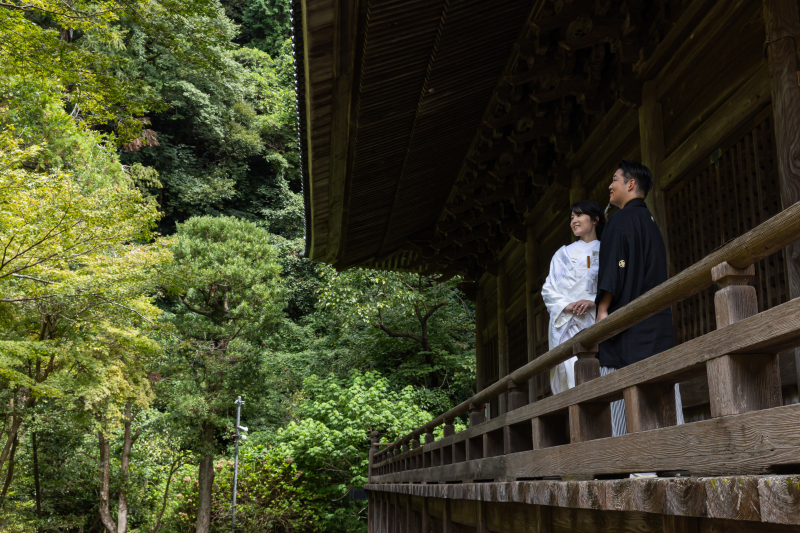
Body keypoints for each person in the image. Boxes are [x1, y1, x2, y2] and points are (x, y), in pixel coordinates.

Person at [595, 160, 684, 436]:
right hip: (656, 325)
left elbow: (613, 270)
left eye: (615, 179)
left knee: (622, 399)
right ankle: (675, 449)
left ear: (631, 184)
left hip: (627, 328)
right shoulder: (651, 223)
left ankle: (629, 453)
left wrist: (602, 309)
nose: (610, 186)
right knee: (663, 391)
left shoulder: (620, 220)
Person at [542, 200, 604, 394]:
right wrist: (565, 305)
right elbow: (548, 289)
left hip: (593, 319)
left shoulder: (606, 249)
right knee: (568, 377)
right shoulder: (562, 254)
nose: (574, 221)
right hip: (565, 322)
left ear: (595, 219)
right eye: (572, 217)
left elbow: (612, 284)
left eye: (579, 215)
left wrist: (594, 302)